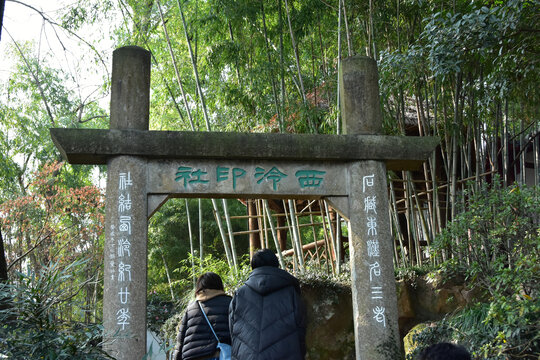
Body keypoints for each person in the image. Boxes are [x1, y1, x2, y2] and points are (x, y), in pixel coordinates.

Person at [229, 248, 306, 360]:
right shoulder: (290, 292)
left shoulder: (239, 294)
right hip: (284, 354)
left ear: (253, 266)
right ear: (276, 264)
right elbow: (301, 327)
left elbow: (233, 330)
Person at [173, 272, 232, 360]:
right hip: (218, 355)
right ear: (219, 285)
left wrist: (176, 357)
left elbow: (180, 341)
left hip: (192, 356)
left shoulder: (191, 308)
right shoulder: (230, 303)